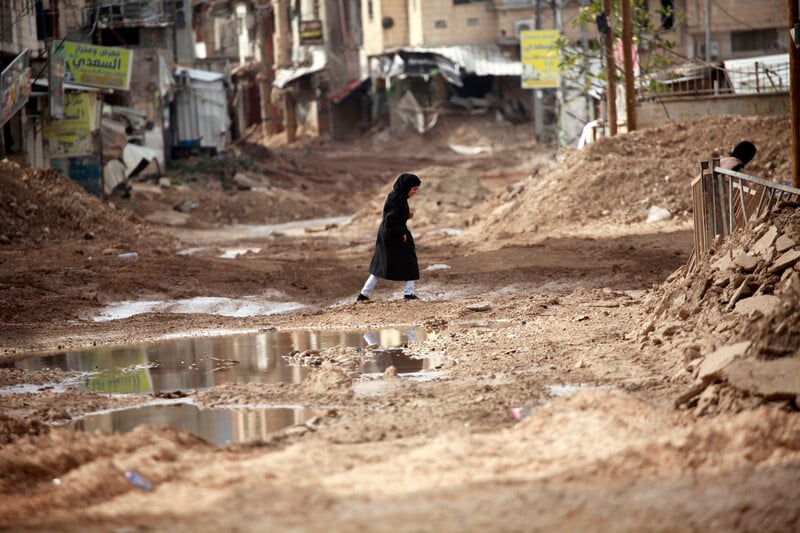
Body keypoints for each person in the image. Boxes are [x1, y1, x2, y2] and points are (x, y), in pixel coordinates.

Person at [357, 173, 421, 302]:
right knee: (407, 261)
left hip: (390, 234)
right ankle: (408, 294)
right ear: (406, 187)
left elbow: (393, 216)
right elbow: (390, 220)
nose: (414, 192)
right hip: (392, 235)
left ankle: (364, 295)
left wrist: (406, 216)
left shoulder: (399, 197)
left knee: (382, 265)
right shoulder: (396, 199)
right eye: (413, 189)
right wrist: (401, 233)